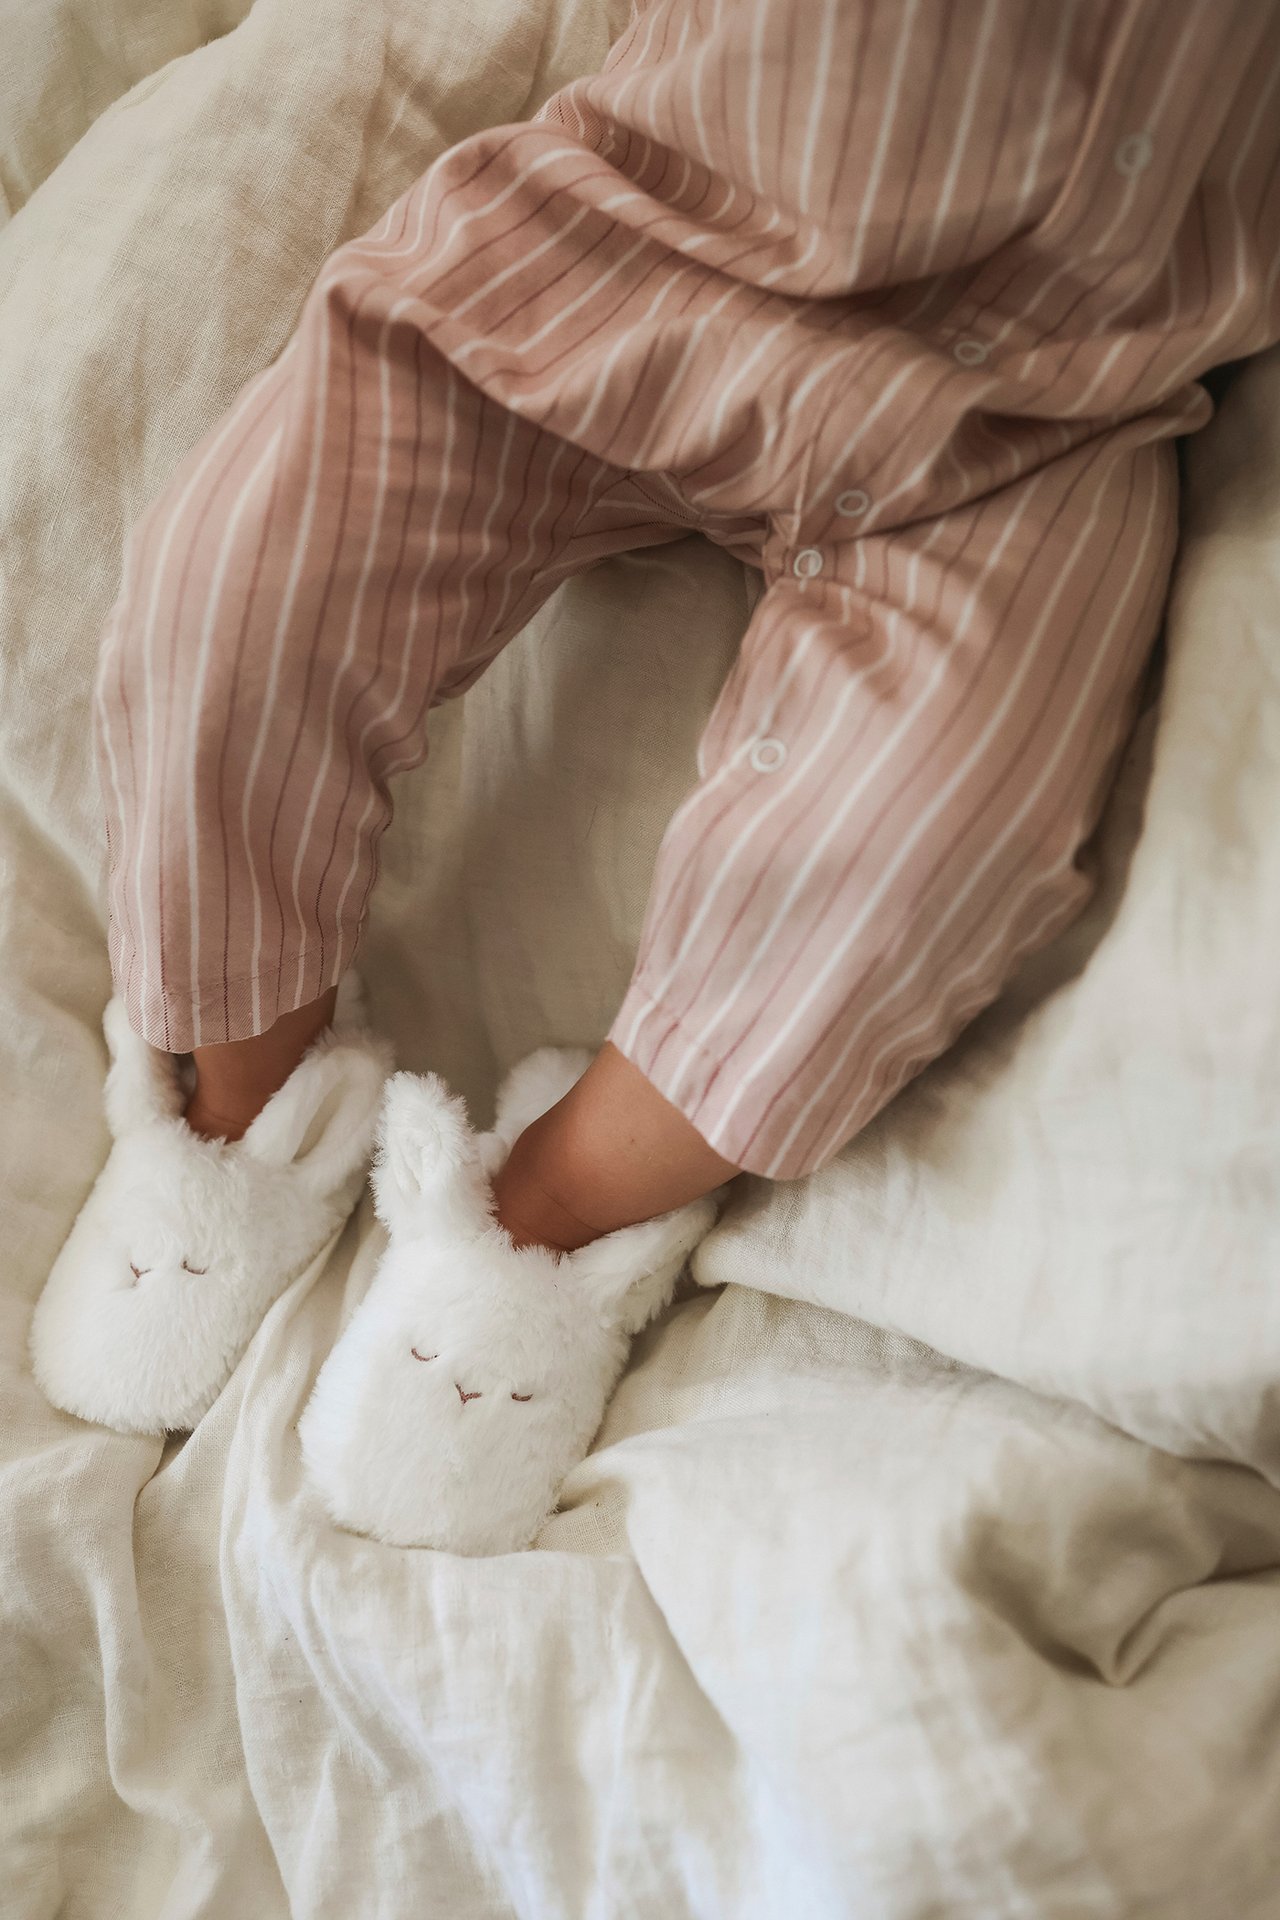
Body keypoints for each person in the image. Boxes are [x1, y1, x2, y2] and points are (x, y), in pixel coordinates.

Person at [92, 0, 1280, 1261]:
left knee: (919, 842)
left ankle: (527, 1228)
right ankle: (240, 1121)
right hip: (647, 227)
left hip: (1047, 405)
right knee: (236, 590)